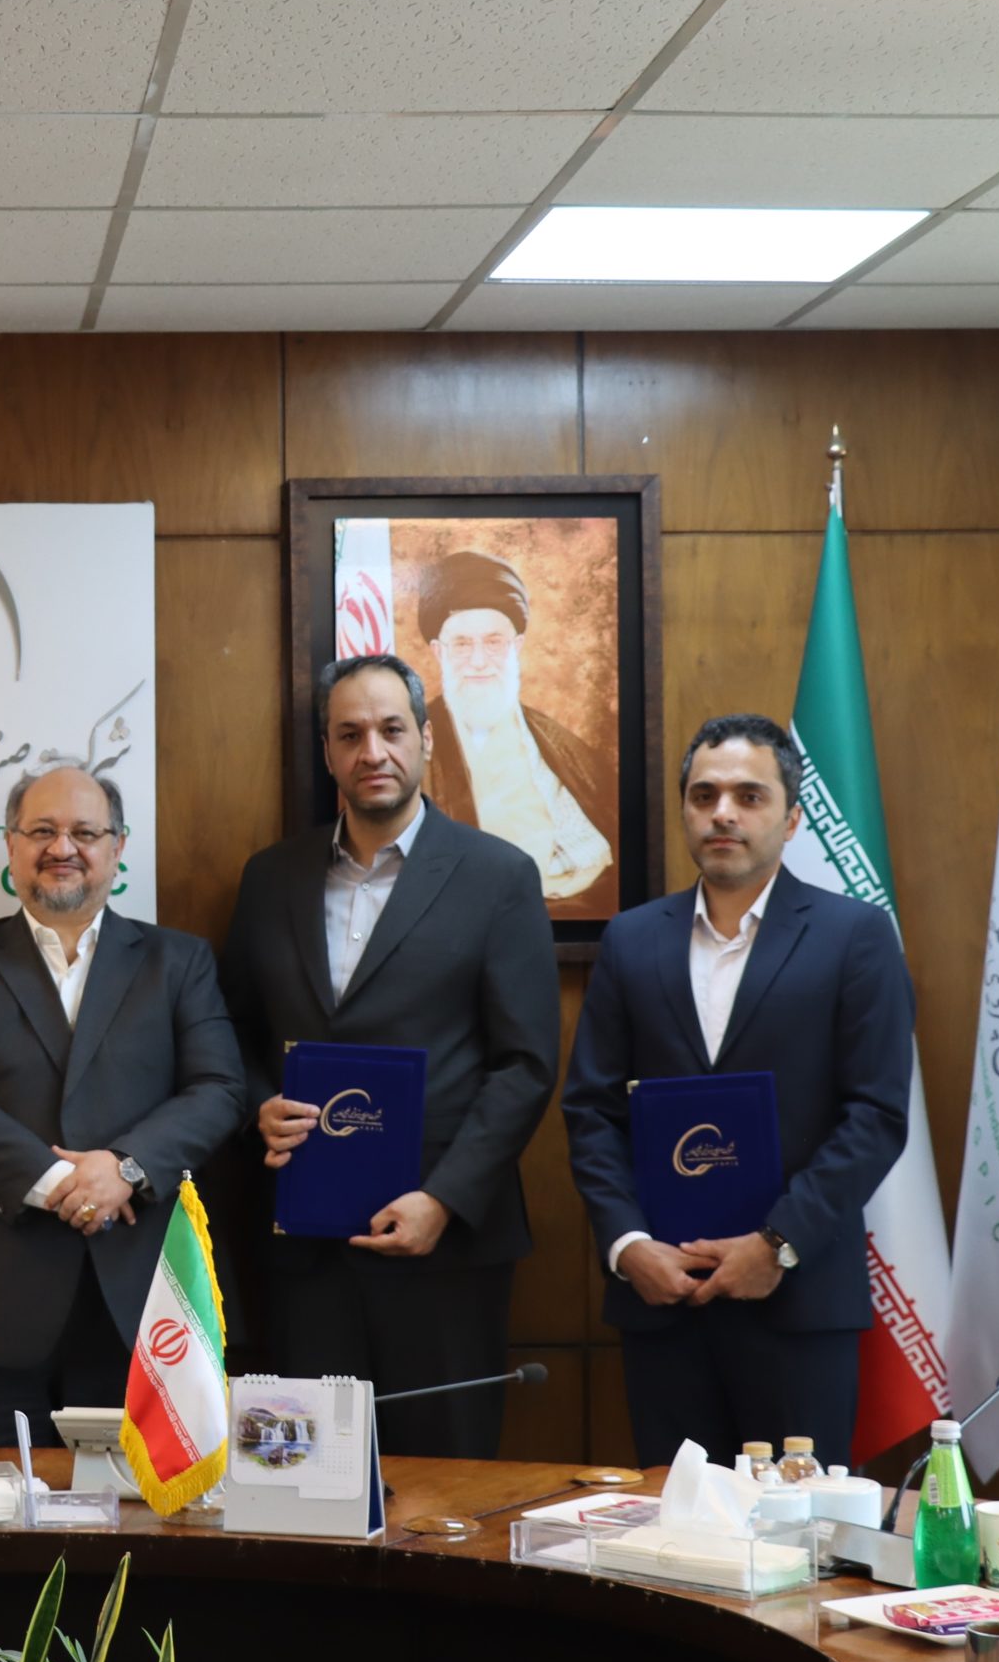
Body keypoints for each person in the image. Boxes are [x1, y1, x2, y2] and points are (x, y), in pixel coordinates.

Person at [221, 654, 559, 1459]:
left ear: (426, 739)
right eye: (350, 734)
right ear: (328, 753)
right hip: (302, 1246)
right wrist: (256, 1104)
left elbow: (524, 1064)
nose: (372, 750)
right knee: (304, 1479)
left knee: (444, 1484)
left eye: (391, 729)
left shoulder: (500, 876)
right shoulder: (270, 878)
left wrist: (444, 1198)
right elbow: (230, 1032)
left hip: (444, 1249)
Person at [562, 713, 914, 1466]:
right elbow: (591, 1110)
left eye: (749, 796)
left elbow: (876, 1115)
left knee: (801, 1526)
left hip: (798, 1302)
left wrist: (776, 1245)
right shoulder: (631, 939)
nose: (722, 812)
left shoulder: (855, 936)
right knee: (675, 1524)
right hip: (663, 1301)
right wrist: (628, 1246)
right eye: (705, 795)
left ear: (791, 819)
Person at [0, 766, 246, 1442]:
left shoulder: (178, 961)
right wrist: (66, 1182)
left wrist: (125, 1168)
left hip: (145, 1290)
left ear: (118, 847)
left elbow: (219, 1089)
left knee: (135, 1501)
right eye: (42, 830)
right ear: (11, 845)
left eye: (85, 832)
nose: (62, 847)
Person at [416, 549, 617, 911]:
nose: (479, 662)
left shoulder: (560, 746)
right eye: (462, 644)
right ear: (438, 652)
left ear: (517, 647)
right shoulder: (411, 742)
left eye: (494, 642)